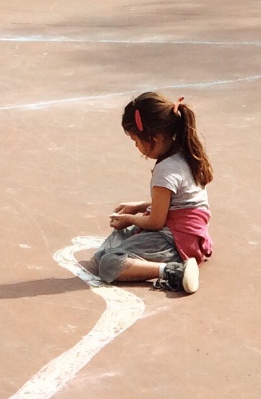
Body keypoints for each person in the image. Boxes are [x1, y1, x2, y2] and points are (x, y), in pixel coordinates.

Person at [85, 91, 214, 295]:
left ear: (153, 137)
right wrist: (139, 207)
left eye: (136, 141)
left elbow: (156, 222)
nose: (136, 147)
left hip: (175, 241)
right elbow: (180, 202)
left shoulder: (166, 169)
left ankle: (174, 271)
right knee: (112, 245)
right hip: (189, 235)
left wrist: (131, 218)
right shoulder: (184, 154)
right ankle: (173, 263)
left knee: (108, 263)